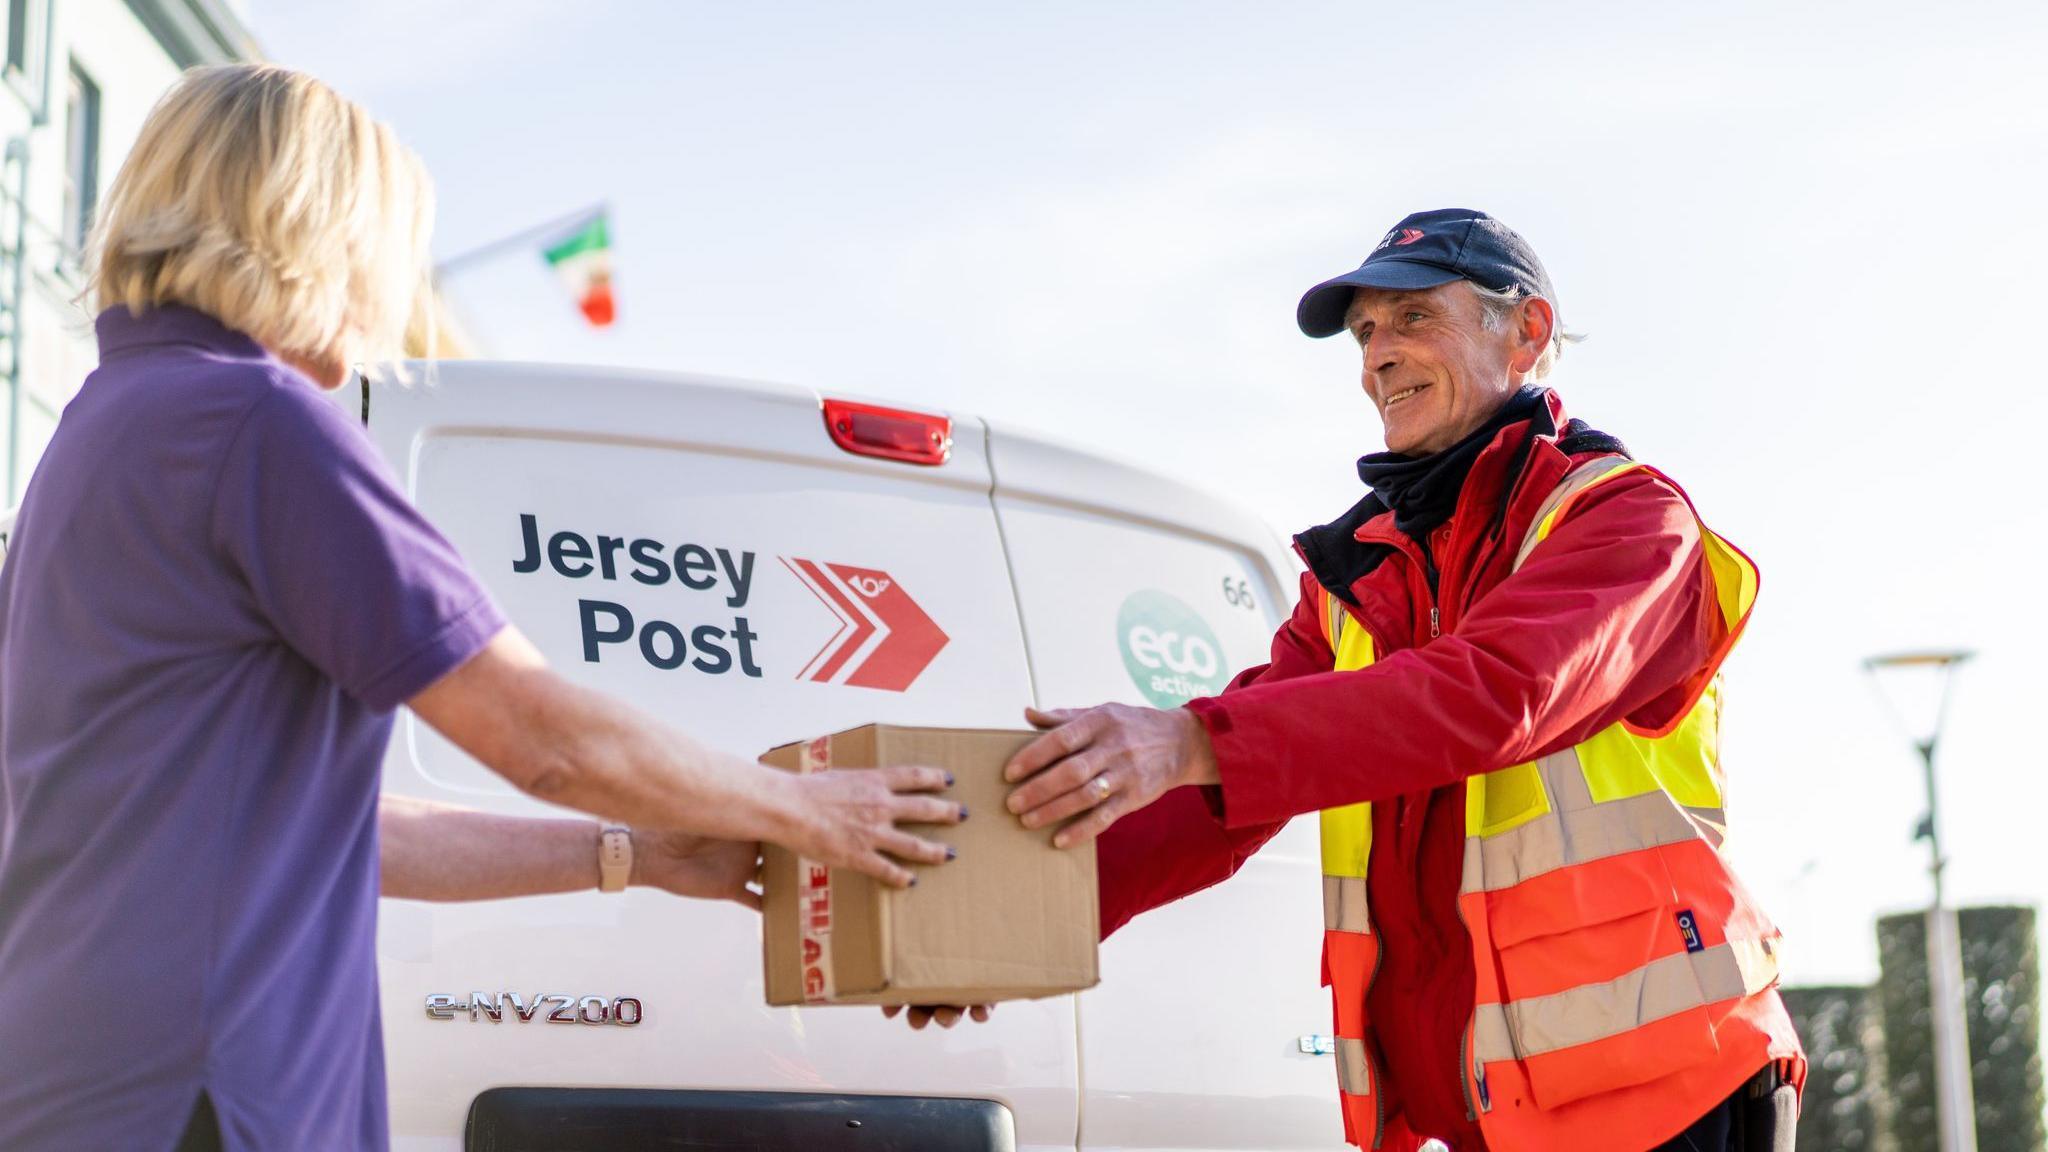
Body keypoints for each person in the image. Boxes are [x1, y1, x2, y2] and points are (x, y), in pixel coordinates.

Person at [0, 64, 962, 1152]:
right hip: (202, 1088)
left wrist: (637, 853)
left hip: (88, 1073)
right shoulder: (253, 421)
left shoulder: (105, 430)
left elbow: (327, 838)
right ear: (322, 233)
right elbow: (535, 732)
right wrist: (808, 811)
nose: (390, 292)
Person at [999, 209, 1805, 1151]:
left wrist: (1186, 738)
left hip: (1664, 1100)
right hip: (1479, 1119)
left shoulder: (1627, 520)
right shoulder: (1358, 577)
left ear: (1529, 332)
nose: (1377, 356)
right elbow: (1217, 796)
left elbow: (1496, 694)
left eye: (1414, 318)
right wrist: (1008, 930)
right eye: (1365, 332)